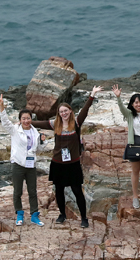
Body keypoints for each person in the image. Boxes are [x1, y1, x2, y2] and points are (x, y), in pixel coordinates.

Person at [32, 86, 102, 228]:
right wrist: (24, 122)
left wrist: (92, 94)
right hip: (58, 163)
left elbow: (85, 110)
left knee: (77, 190)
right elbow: (37, 123)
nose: (64, 113)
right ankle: (62, 215)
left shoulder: (76, 123)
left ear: (70, 111)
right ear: (58, 114)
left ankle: (84, 218)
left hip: (73, 163)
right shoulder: (54, 124)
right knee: (59, 190)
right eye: (61, 112)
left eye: (66, 111)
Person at [0, 94, 46, 227]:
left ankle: (34, 216)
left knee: (33, 191)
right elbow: (5, 121)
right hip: (18, 164)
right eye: (23, 118)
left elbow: (39, 150)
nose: (26, 121)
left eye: (28, 118)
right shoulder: (15, 131)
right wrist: (1, 105)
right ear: (20, 120)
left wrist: (42, 142)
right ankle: (19, 214)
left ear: (31, 119)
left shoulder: (35, 132)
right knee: (17, 191)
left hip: (31, 165)